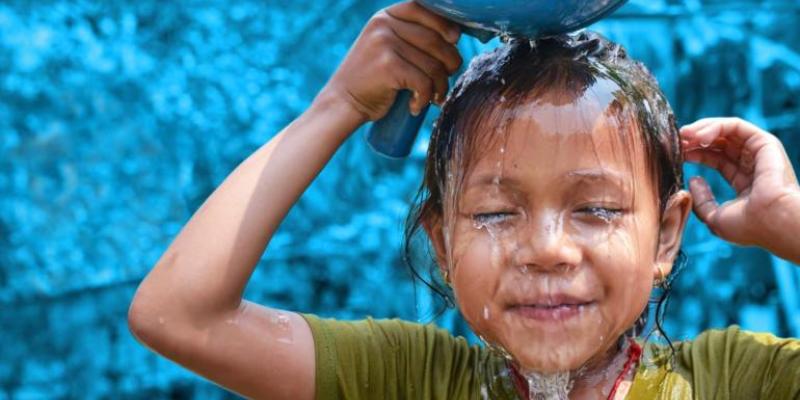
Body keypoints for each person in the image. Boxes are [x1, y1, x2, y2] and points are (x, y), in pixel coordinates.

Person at [126, 1, 800, 399]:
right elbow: (179, 315)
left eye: (595, 209)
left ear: (665, 237)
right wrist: (333, 108)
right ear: (443, 243)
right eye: (496, 213)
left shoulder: (739, 381)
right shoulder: (410, 380)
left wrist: (789, 225)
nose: (547, 249)